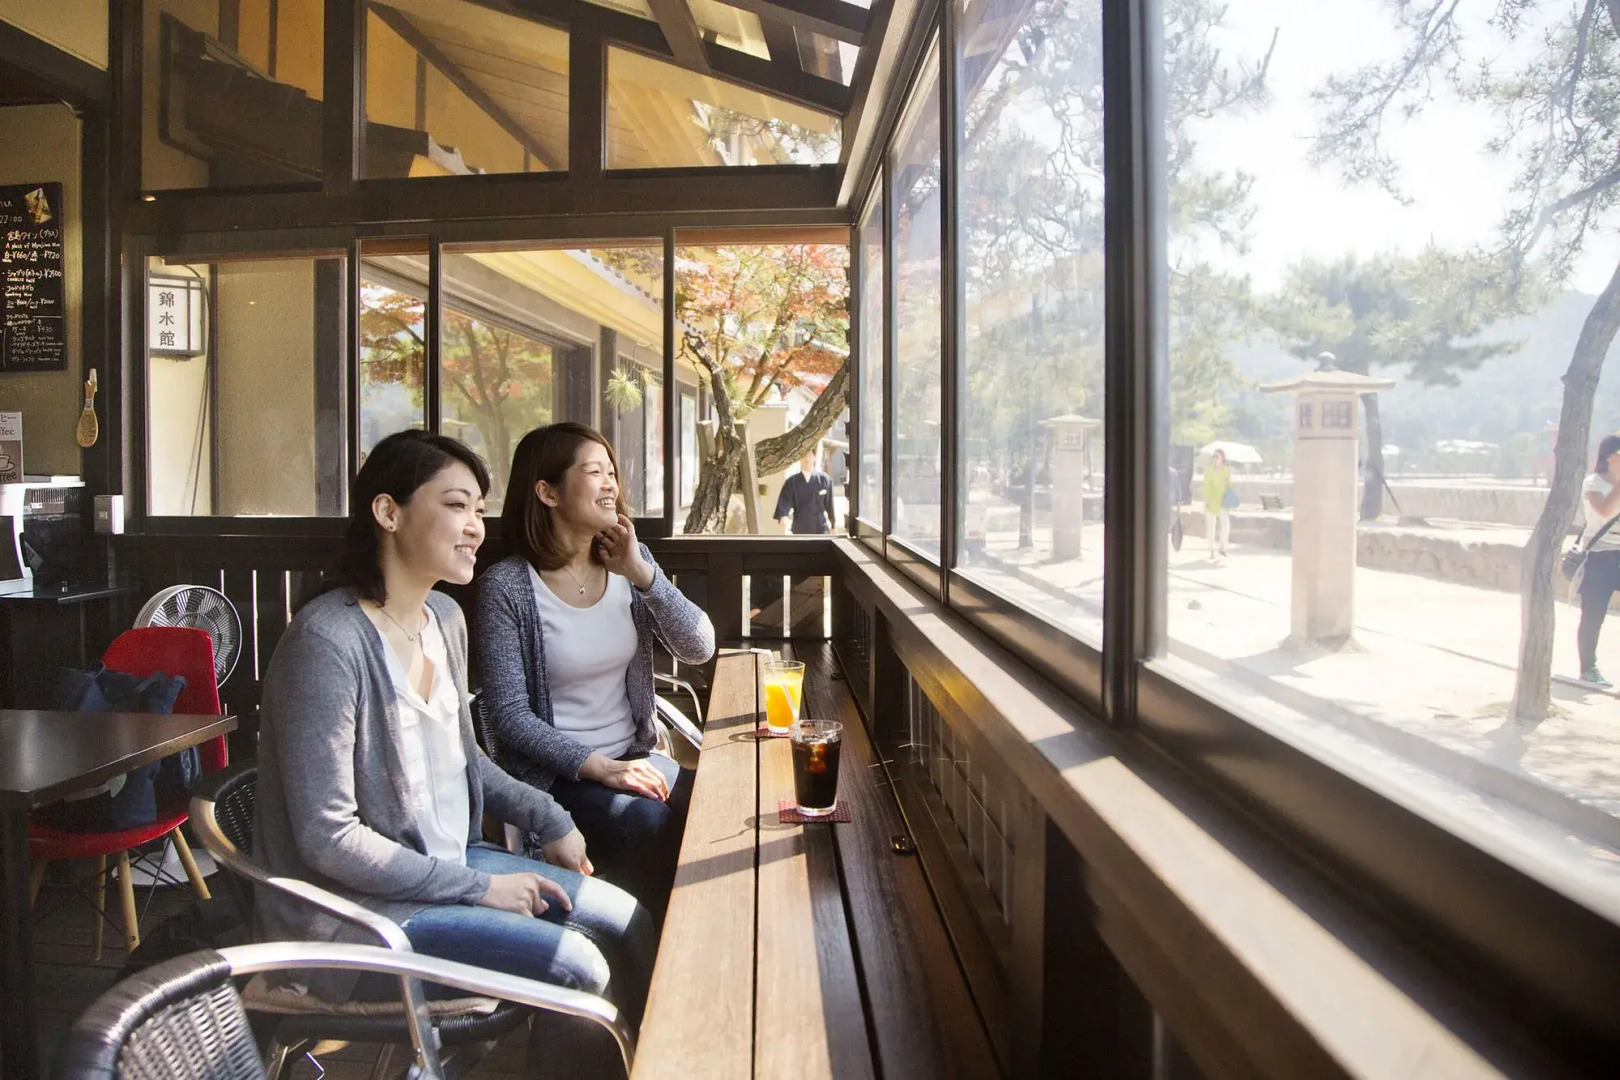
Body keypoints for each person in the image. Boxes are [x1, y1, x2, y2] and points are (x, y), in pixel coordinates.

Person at [253, 429, 654, 1075]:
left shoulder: (443, 617)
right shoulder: (326, 643)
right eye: (456, 506)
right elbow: (328, 840)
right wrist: (478, 887)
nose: (475, 527)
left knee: (626, 918)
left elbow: (467, 760)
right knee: (577, 964)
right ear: (388, 512)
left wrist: (551, 818)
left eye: (479, 509)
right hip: (359, 920)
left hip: (444, 868)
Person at [476, 423, 715, 919]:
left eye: (612, 472)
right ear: (547, 491)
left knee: (716, 807)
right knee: (648, 826)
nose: (611, 483)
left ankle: (700, 944)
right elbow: (509, 717)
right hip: (559, 776)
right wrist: (603, 768)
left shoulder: (629, 563)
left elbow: (700, 647)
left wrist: (643, 574)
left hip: (635, 756)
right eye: (593, 472)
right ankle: (634, 956)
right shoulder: (507, 587)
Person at [1575, 433, 1620, 689]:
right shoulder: (1593, 483)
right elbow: (1604, 510)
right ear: (1610, 456)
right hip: (1599, 557)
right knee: (1593, 615)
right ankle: (1588, 667)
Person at [775, 446, 836, 534]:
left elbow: (830, 505)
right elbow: (785, 500)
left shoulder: (825, 480)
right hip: (799, 528)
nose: (807, 459)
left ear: (814, 457)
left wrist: (833, 525)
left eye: (809, 455)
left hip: (820, 528)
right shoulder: (792, 482)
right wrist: (783, 515)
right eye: (803, 456)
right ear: (799, 459)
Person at [1201, 448, 1233, 560]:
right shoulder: (1209, 471)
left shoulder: (1226, 471)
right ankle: (1211, 550)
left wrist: (1229, 494)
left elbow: (1229, 485)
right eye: (1214, 456)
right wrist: (1207, 501)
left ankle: (1223, 547)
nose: (1215, 458)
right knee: (1211, 527)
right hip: (1211, 501)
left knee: (1226, 525)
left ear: (1223, 458)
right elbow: (1206, 486)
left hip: (1222, 501)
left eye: (1217, 456)